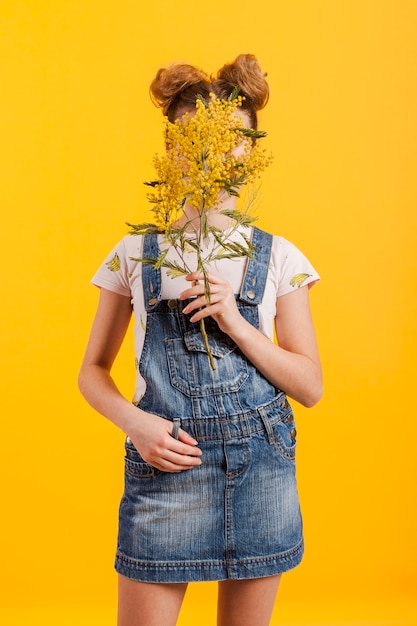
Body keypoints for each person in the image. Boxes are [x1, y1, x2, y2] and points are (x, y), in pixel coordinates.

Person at [78, 53, 323, 626]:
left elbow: (310, 388)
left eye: (236, 138)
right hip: (166, 468)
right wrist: (136, 424)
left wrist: (234, 321)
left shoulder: (280, 256)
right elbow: (91, 369)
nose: (218, 150)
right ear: (171, 150)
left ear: (253, 150)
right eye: (196, 135)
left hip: (261, 470)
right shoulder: (136, 253)